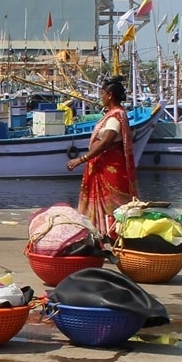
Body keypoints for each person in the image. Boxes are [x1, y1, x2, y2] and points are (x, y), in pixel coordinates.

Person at [65, 76, 138, 240]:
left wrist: (81, 159)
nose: (101, 97)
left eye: (103, 94)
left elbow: (105, 142)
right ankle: (102, 236)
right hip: (103, 168)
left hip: (110, 169)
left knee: (113, 206)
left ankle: (116, 237)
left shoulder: (115, 117)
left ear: (110, 95)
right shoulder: (114, 114)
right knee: (106, 207)